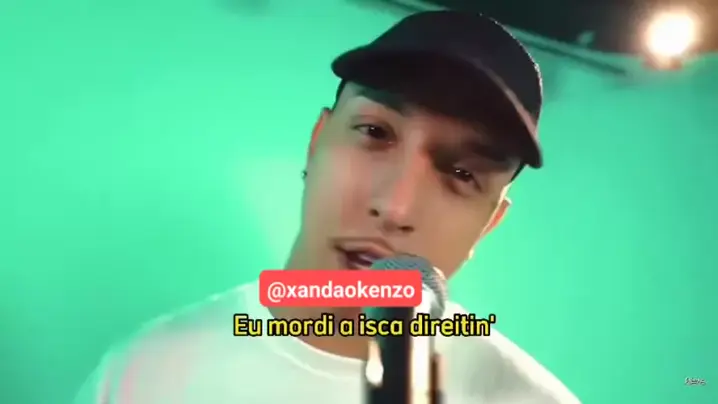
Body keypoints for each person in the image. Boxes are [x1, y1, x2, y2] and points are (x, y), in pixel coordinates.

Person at [73, 10, 580, 404]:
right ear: (316, 143)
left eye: (463, 174)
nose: (395, 207)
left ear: (489, 224)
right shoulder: (145, 372)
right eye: (375, 132)